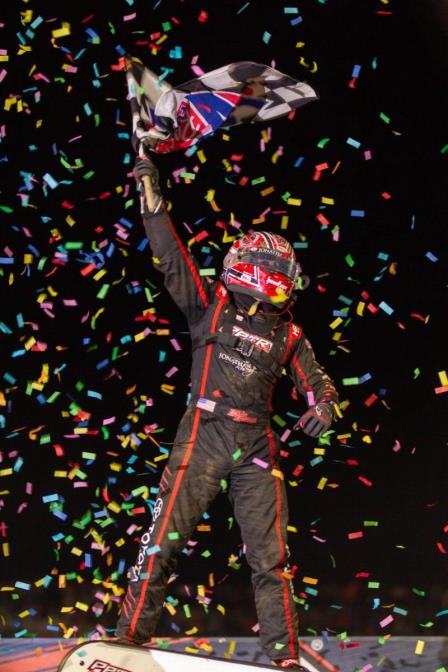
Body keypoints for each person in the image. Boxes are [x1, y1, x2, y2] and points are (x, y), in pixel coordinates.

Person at [115, 156, 339, 670]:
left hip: (257, 447)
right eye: (279, 275)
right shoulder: (210, 306)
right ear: (255, 272)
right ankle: (127, 640)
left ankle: (283, 660)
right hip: (204, 433)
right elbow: (171, 257)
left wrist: (325, 406)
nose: (286, 283)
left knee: (271, 562)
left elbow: (319, 384)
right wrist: (151, 189)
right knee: (161, 542)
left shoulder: (288, 331)